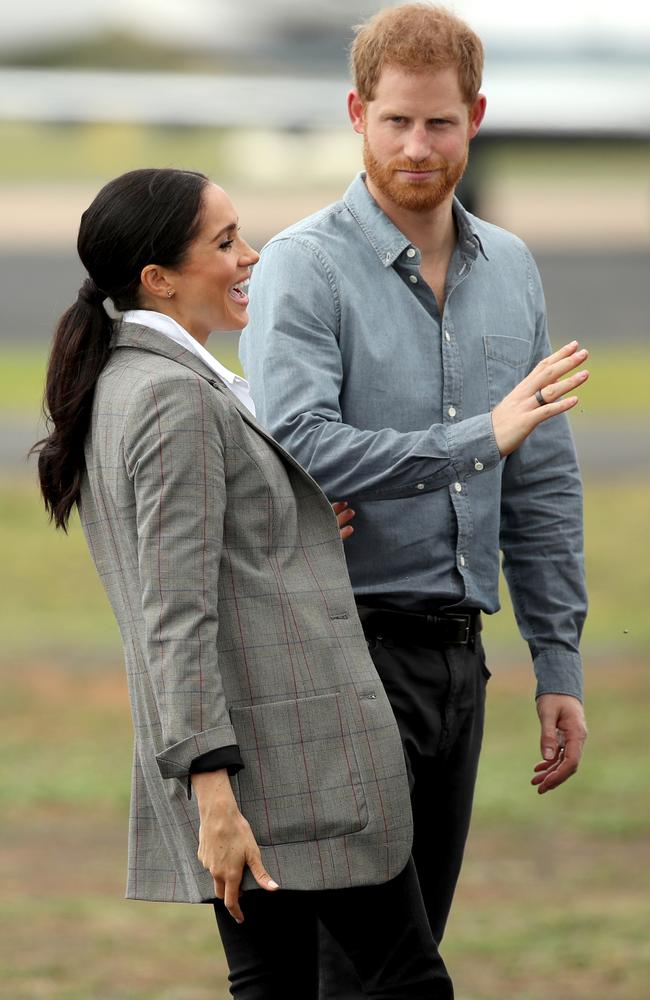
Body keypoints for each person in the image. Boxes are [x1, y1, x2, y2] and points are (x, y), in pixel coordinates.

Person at [33, 166, 462, 1000]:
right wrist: (213, 791)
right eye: (224, 243)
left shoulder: (132, 382)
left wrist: (291, 528)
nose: (251, 256)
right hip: (279, 769)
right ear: (158, 279)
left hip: (246, 765)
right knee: (404, 979)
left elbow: (206, 558)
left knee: (275, 982)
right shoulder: (171, 397)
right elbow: (174, 611)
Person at [239, 4, 589, 997]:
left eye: (438, 122)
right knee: (386, 974)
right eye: (394, 121)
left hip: (453, 664)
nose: (416, 145)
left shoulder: (510, 268)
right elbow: (304, 444)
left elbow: (541, 481)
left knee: (380, 956)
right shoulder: (303, 266)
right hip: (333, 656)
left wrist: (554, 657)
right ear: (355, 113)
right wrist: (480, 433)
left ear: (474, 116)